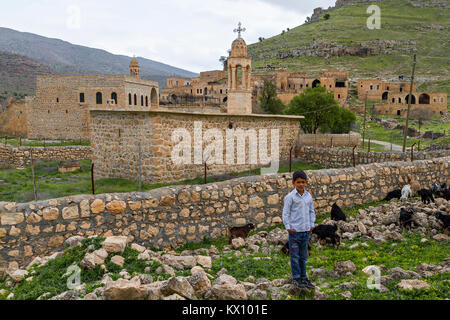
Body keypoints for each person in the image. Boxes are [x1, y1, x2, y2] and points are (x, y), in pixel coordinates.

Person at [282, 170, 316, 289]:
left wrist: (312, 224)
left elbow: (311, 211)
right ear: (293, 183)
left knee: (303, 256)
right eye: (298, 182)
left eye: (303, 182)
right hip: (295, 232)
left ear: (306, 182)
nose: (301, 184)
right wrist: (288, 227)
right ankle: (296, 278)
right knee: (295, 257)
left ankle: (304, 277)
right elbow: (285, 213)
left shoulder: (308, 196)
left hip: (306, 232)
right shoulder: (290, 197)